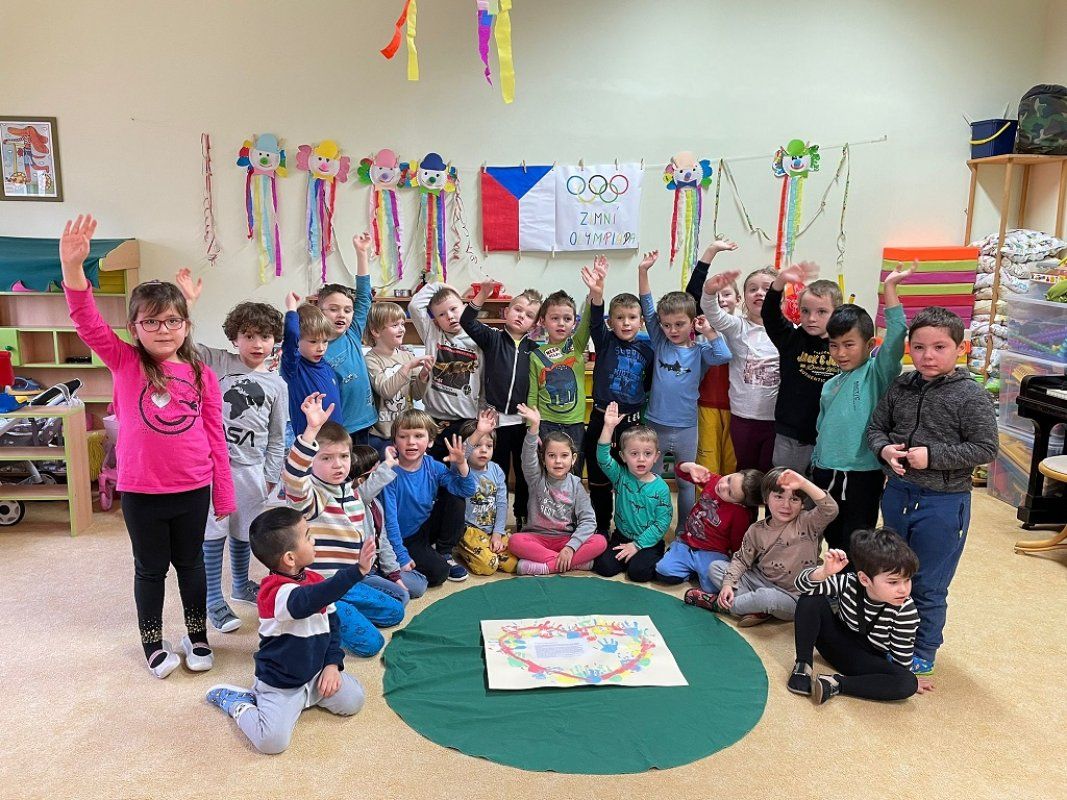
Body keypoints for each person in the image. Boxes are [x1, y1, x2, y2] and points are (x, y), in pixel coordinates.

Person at [61, 214, 235, 678]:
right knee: (150, 570)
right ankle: (153, 645)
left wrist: (223, 493)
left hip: (192, 488)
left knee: (192, 566)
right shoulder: (124, 361)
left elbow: (215, 436)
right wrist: (73, 269)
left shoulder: (201, 373)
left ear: (186, 325)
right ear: (134, 328)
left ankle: (197, 637)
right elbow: (87, 322)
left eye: (173, 320)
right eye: (151, 322)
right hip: (142, 492)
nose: (163, 329)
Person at [867, 306, 998, 676]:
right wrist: (884, 450)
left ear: (960, 349)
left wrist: (933, 457)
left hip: (943, 503)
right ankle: (888, 636)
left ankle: (923, 648)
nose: (928, 356)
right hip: (898, 494)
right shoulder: (901, 386)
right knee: (892, 572)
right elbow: (876, 428)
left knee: (928, 582)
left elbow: (987, 448)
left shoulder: (970, 395)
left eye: (939, 347)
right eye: (919, 347)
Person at [204, 507, 372, 754]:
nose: (314, 540)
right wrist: (355, 573)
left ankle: (305, 698)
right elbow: (306, 601)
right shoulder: (273, 593)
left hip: (315, 674)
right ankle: (238, 703)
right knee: (271, 743)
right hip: (281, 684)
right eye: (308, 536)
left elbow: (332, 627)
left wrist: (332, 665)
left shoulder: (316, 581)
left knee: (354, 700)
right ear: (290, 558)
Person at [176, 268, 288, 633]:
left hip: (252, 470)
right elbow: (183, 344)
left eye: (265, 337)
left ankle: (240, 585)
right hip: (213, 468)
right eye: (249, 336)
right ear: (235, 338)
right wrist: (187, 304)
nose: (257, 343)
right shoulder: (220, 362)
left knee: (244, 529)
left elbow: (278, 435)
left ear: (275, 340)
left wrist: (271, 475)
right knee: (214, 531)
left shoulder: (277, 384)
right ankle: (213, 598)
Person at [282, 393, 405, 657]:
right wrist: (310, 431)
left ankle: (342, 610)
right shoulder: (311, 496)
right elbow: (293, 478)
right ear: (311, 460)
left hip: (347, 581)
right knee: (371, 645)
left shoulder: (348, 488)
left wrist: (387, 466)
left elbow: (366, 492)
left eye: (343, 456)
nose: (337, 465)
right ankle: (317, 616)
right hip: (321, 588)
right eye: (326, 458)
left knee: (397, 610)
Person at [810, 262, 914, 556]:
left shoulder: (878, 372)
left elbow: (897, 335)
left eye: (849, 345)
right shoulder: (830, 384)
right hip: (826, 470)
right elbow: (822, 427)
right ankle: (836, 580)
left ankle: (856, 582)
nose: (840, 353)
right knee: (831, 536)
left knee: (857, 539)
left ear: (869, 345)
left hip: (862, 474)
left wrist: (890, 288)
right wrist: (816, 463)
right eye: (834, 345)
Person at [639, 248, 731, 531]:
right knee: (651, 479)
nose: (672, 330)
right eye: (667, 325)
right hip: (656, 424)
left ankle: (684, 530)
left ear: (693, 322)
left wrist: (709, 331)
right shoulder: (660, 342)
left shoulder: (700, 350)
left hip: (686, 428)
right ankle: (650, 527)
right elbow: (648, 307)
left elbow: (724, 355)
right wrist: (643, 271)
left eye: (679, 324)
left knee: (686, 482)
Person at [790, 528, 928, 704]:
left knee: (908, 682)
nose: (903, 589)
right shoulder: (848, 582)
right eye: (893, 582)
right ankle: (803, 667)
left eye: (907, 580)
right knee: (811, 599)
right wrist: (823, 572)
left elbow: (902, 655)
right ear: (864, 579)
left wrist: (902, 677)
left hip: (865, 662)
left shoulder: (905, 609)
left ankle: (835, 684)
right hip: (832, 643)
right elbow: (801, 587)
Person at [408, 281, 482, 580]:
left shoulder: (477, 336)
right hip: (434, 423)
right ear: (434, 319)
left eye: (454, 309)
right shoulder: (432, 333)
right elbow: (415, 304)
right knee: (429, 486)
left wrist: (482, 421)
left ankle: (446, 549)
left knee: (456, 490)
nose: (450, 316)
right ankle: (425, 543)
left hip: (464, 425)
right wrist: (443, 285)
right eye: (441, 313)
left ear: (464, 307)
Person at [702, 468, 838, 626]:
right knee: (715, 567)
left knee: (767, 598)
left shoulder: (808, 523)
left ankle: (724, 605)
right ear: (766, 499)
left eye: (794, 499)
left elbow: (830, 509)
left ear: (802, 504)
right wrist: (727, 585)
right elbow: (742, 559)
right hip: (759, 579)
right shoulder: (756, 529)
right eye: (779, 497)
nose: (786, 505)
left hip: (793, 596)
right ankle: (755, 608)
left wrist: (803, 483)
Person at [460, 280, 542, 529]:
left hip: (522, 422)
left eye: (529, 315)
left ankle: (522, 516)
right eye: (517, 309)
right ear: (506, 312)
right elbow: (467, 321)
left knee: (524, 472)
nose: (521, 316)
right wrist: (483, 294)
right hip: (494, 421)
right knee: (498, 472)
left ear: (535, 324)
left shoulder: (534, 349)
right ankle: (494, 520)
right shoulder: (493, 339)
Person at [583, 256, 654, 534]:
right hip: (600, 420)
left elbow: (649, 383)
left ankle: (628, 529)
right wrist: (597, 293)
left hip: (631, 424)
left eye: (632, 318)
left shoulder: (648, 349)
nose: (626, 323)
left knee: (631, 477)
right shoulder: (605, 340)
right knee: (598, 477)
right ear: (610, 322)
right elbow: (594, 322)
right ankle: (601, 527)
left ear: (641, 321)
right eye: (620, 318)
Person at [379, 409, 479, 587]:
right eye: (403, 436)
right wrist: (401, 557)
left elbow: (466, 490)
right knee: (439, 573)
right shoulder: (389, 472)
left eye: (418, 436)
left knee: (455, 496)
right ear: (394, 441)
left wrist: (462, 463)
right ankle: (388, 569)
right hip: (401, 537)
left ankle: (444, 552)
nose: (411, 442)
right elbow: (389, 522)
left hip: (423, 528)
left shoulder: (433, 466)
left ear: (430, 441)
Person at [761, 261, 841, 474]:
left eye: (821, 312)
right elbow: (769, 315)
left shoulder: (843, 346)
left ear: (836, 313)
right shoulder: (791, 339)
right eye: (805, 311)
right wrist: (780, 282)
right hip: (791, 433)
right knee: (783, 485)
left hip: (827, 435)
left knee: (816, 489)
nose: (811, 318)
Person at [509, 404, 607, 574]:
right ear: (543, 459)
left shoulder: (576, 485)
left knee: (600, 541)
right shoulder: (536, 479)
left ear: (573, 459)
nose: (558, 461)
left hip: (566, 539)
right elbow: (528, 457)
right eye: (552, 456)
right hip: (537, 538)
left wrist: (571, 547)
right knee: (514, 541)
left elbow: (589, 521)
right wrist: (534, 427)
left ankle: (547, 567)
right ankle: (573, 563)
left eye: (564, 455)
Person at [700, 266, 780, 472]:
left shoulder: (788, 331)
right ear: (743, 297)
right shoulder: (737, 326)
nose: (759, 293)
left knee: (770, 476)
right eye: (752, 289)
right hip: (742, 418)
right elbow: (712, 312)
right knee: (745, 474)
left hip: (775, 420)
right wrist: (709, 291)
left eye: (767, 289)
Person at [591, 403, 673, 582]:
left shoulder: (661, 488)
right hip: (621, 537)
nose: (641, 459)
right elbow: (602, 458)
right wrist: (608, 427)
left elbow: (662, 523)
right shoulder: (620, 476)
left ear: (656, 457)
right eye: (634, 454)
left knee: (638, 573)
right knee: (603, 567)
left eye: (647, 454)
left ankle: (654, 556)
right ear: (623, 456)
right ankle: (631, 558)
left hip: (649, 542)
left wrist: (637, 545)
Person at [654, 462, 762, 596]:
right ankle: (689, 566)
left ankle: (695, 570)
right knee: (662, 571)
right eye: (729, 479)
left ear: (739, 503)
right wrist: (690, 467)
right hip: (686, 543)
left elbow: (737, 544)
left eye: (730, 492)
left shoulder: (740, 514)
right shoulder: (714, 480)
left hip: (712, 552)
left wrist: (734, 564)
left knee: (712, 587)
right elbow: (680, 472)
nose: (723, 486)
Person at [685, 239, 740, 475]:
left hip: (738, 408)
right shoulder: (700, 326)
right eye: (715, 295)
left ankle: (734, 501)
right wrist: (711, 251)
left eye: (726, 294)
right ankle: (707, 501)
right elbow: (692, 292)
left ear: (738, 299)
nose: (720, 299)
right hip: (706, 404)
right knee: (707, 464)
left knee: (732, 464)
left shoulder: (742, 327)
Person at [349, 444, 429, 601]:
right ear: (360, 480)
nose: (381, 477)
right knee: (401, 596)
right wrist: (388, 465)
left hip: (378, 566)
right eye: (375, 473)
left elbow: (383, 541)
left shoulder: (376, 504)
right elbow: (363, 493)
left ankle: (378, 587)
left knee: (419, 584)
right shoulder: (354, 502)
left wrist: (394, 574)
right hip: (362, 572)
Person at [320, 232, 377, 445]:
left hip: (365, 422)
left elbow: (364, 298)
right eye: (333, 309)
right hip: (337, 429)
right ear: (319, 311)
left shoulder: (352, 333)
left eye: (347, 310)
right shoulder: (315, 348)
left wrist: (362, 254)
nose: (341, 315)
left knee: (363, 466)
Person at [527, 286, 591, 472]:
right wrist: (532, 427)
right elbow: (533, 393)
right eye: (555, 318)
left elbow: (588, 321)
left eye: (567, 319)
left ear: (574, 322)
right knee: (547, 472)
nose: (561, 324)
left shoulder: (576, 346)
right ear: (543, 321)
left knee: (574, 472)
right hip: (546, 424)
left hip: (575, 424)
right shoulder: (536, 355)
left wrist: (594, 294)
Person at [454, 410, 519, 575]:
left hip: (491, 530)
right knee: (488, 566)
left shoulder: (496, 470)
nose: (484, 450)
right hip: (470, 531)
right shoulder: (460, 467)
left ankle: (487, 549)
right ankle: (463, 548)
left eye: (488, 446)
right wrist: (479, 432)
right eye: (477, 445)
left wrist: (497, 533)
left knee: (513, 564)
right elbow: (462, 454)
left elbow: (502, 504)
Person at [364, 300, 432, 457]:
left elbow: (417, 395)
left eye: (402, 324)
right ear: (376, 331)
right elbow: (386, 391)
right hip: (381, 435)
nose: (402, 329)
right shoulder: (371, 359)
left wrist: (423, 376)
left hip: (406, 432)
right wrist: (407, 367)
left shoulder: (407, 356)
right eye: (395, 325)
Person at [281, 291, 340, 437]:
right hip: (309, 441)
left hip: (335, 439)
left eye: (325, 341)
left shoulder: (326, 366)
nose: (321, 348)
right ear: (298, 341)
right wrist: (291, 307)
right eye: (313, 341)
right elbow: (291, 335)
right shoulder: (293, 368)